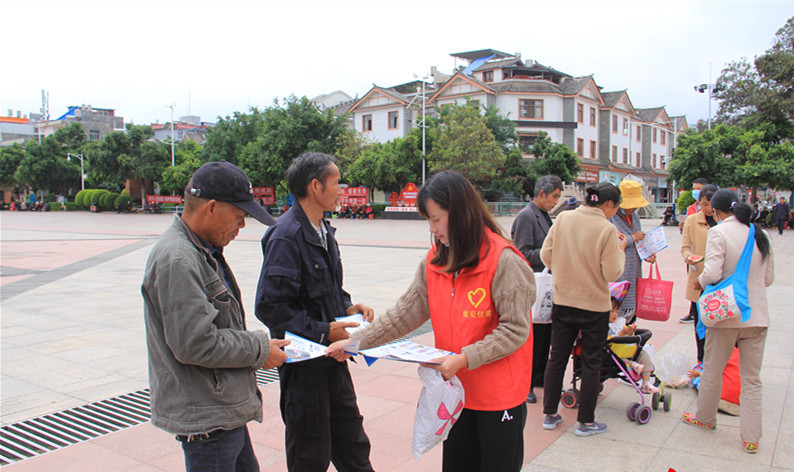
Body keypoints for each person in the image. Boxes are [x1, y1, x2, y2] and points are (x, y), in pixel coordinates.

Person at [328, 171, 534, 472]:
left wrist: (464, 359)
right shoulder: (437, 261)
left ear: (461, 213)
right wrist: (358, 342)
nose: (432, 228)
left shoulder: (503, 260)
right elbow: (405, 313)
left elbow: (515, 330)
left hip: (498, 395)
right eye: (428, 220)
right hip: (455, 392)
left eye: (436, 219)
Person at [142, 160, 289, 472]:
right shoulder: (178, 259)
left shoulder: (201, 251)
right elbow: (195, 343)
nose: (242, 226)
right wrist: (260, 349)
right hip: (207, 421)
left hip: (220, 411)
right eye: (239, 216)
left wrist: (259, 347)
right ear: (211, 208)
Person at [255, 152, 375, 472]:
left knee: (352, 439)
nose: (342, 190)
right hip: (304, 367)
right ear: (315, 186)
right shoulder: (286, 235)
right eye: (337, 183)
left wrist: (349, 307)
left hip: (332, 357)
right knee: (310, 449)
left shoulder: (323, 230)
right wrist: (323, 331)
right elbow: (271, 306)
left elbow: (329, 287)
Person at [683, 189, 774, 455]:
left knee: (712, 369)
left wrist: (697, 283)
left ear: (718, 210)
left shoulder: (718, 233)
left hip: (726, 316)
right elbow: (767, 279)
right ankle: (751, 438)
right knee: (752, 379)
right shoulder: (761, 234)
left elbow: (711, 273)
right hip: (756, 316)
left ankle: (706, 418)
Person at [540, 182, 627, 437]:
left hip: (563, 301)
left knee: (556, 359)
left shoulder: (564, 218)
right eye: (616, 207)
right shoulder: (606, 229)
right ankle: (585, 422)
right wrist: (620, 251)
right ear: (609, 204)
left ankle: (549, 414)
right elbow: (613, 272)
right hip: (593, 306)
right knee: (591, 362)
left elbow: (546, 257)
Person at [510, 174, 563, 404]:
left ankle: (540, 376)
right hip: (532, 284)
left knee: (545, 335)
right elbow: (522, 252)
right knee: (532, 337)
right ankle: (527, 382)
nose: (555, 202)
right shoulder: (526, 217)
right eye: (554, 197)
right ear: (541, 194)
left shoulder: (543, 215)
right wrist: (551, 255)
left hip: (545, 283)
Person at [608, 180, 656, 320]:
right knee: (617, 305)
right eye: (631, 206)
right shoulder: (611, 216)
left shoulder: (634, 216)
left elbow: (639, 240)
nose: (634, 209)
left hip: (633, 266)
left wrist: (646, 254)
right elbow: (612, 241)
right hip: (619, 268)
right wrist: (631, 238)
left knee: (633, 302)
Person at [680, 185, 718, 355]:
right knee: (700, 325)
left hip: (720, 283)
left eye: (710, 204)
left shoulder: (724, 221)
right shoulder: (692, 220)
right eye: (703, 204)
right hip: (699, 280)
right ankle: (701, 360)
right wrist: (688, 256)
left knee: (719, 325)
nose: (708, 209)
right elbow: (685, 247)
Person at [607, 297, 658, 394]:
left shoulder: (619, 322)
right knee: (615, 357)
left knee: (644, 356)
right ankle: (633, 365)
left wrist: (630, 331)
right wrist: (620, 334)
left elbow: (626, 331)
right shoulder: (603, 326)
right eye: (611, 311)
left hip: (628, 350)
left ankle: (646, 383)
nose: (615, 314)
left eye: (616, 311)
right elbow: (606, 339)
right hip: (614, 353)